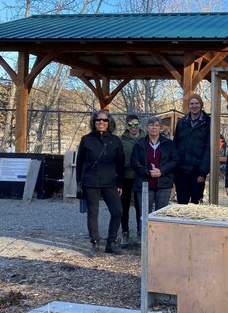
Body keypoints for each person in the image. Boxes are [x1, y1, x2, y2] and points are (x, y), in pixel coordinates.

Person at [76, 109, 125, 257]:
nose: (101, 123)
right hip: (91, 182)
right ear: (94, 122)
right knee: (93, 213)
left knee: (118, 211)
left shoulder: (116, 140)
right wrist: (79, 182)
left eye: (104, 120)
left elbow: (121, 163)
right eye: (98, 120)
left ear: (109, 123)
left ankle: (111, 243)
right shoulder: (86, 139)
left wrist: (120, 183)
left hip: (110, 182)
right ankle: (95, 243)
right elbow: (80, 162)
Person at [131, 116, 179, 214]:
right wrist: (148, 172)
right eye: (151, 125)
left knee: (161, 214)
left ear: (160, 128)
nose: (154, 127)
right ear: (147, 128)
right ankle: (142, 230)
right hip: (144, 182)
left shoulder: (169, 144)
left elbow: (175, 161)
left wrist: (161, 171)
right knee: (144, 214)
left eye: (156, 125)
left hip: (164, 183)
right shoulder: (139, 144)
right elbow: (134, 162)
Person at [173, 93, 210, 204]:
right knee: (181, 204)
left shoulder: (208, 123)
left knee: (196, 204)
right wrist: (175, 169)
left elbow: (209, 149)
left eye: (197, 103)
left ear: (201, 105)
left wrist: (202, 173)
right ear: (188, 106)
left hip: (197, 172)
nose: (194, 106)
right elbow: (175, 145)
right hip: (181, 171)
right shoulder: (181, 123)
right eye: (192, 103)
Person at [119, 114, 146, 246]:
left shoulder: (145, 139)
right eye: (130, 125)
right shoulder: (121, 140)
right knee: (123, 207)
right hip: (125, 177)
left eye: (135, 124)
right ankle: (125, 233)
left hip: (140, 176)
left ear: (139, 125)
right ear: (127, 126)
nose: (133, 127)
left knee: (140, 207)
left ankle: (140, 232)